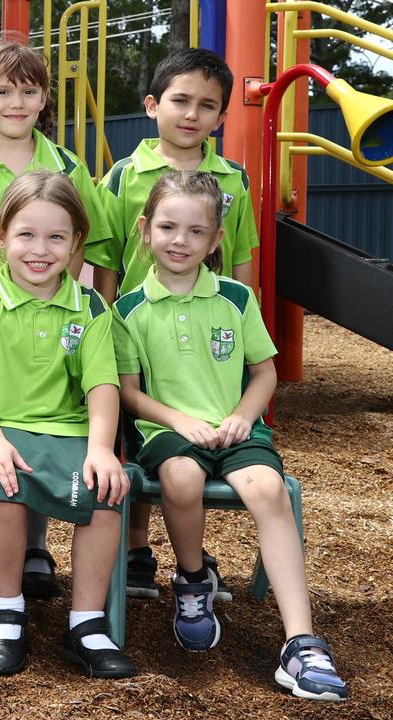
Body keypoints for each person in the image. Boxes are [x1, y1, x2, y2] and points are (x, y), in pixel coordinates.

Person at [113, 170, 349, 702]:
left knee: (268, 490)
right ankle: (194, 582)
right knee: (180, 476)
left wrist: (244, 415)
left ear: (216, 240)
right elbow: (128, 392)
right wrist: (178, 420)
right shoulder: (128, 311)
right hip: (167, 429)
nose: (181, 240)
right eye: (169, 227)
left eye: (197, 232)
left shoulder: (237, 300)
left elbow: (264, 371)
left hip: (234, 427)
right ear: (145, 229)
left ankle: (301, 642)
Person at [0, 171, 134, 678]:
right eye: (26, 234)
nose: (40, 249)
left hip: (67, 432)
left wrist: (100, 448)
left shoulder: (90, 307)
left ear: (76, 245)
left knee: (106, 491)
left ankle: (86, 623)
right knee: (4, 482)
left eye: (56, 237)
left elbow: (101, 387)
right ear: (0, 237)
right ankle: (6, 610)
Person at [0, 40, 109, 599]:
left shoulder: (67, 166)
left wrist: (58, 292)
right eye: (1, 91)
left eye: (28, 91)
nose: (15, 102)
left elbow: (84, 243)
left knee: (41, 423)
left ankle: (34, 547)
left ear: (44, 99)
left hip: (48, 322)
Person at [86, 47, 258, 601]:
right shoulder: (122, 176)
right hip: (138, 335)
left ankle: (192, 554)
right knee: (133, 441)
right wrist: (108, 332)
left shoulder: (232, 179)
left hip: (204, 339)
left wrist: (237, 332)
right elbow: (107, 263)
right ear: (152, 104)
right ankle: (136, 550)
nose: (192, 114)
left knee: (196, 439)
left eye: (207, 106)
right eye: (180, 100)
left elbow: (241, 263)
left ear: (221, 118)